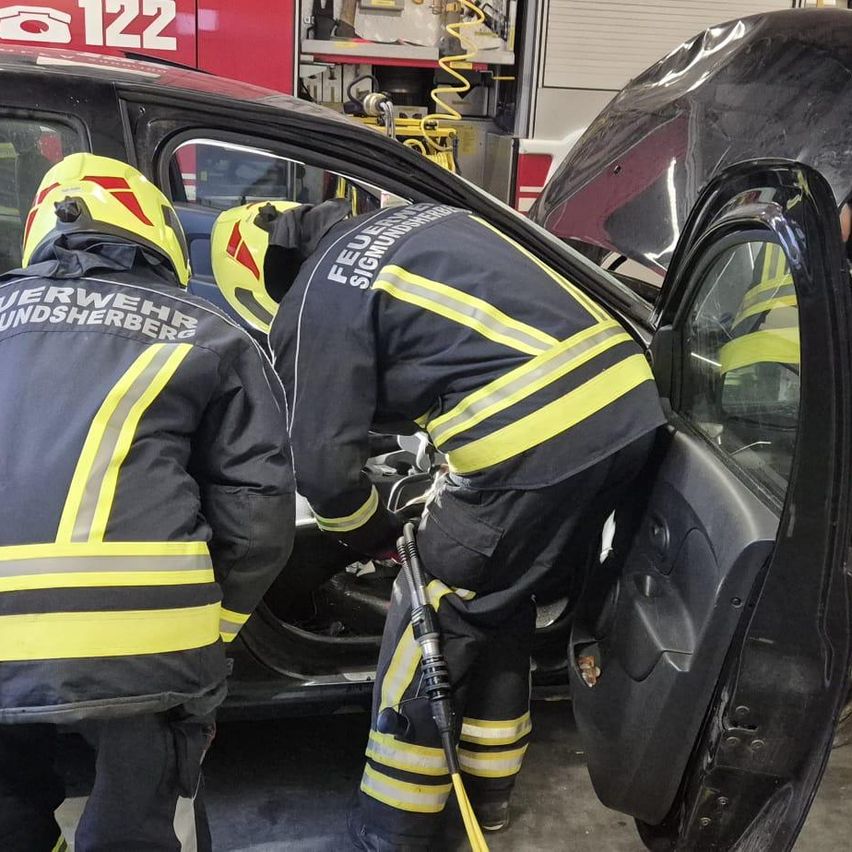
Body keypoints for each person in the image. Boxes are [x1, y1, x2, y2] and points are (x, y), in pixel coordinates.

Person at [215, 198, 665, 851]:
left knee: (431, 601)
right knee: (498, 604)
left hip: (533, 439)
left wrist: (374, 535)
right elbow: (446, 352)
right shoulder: (414, 225)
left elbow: (321, 471)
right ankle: (488, 799)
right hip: (627, 408)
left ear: (262, 281)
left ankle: (389, 831)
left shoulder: (316, 296)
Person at [0, 154, 295, 852]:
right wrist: (211, 633)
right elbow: (258, 519)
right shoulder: (211, 334)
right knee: (132, 822)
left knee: (7, 807)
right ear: (155, 233)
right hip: (144, 633)